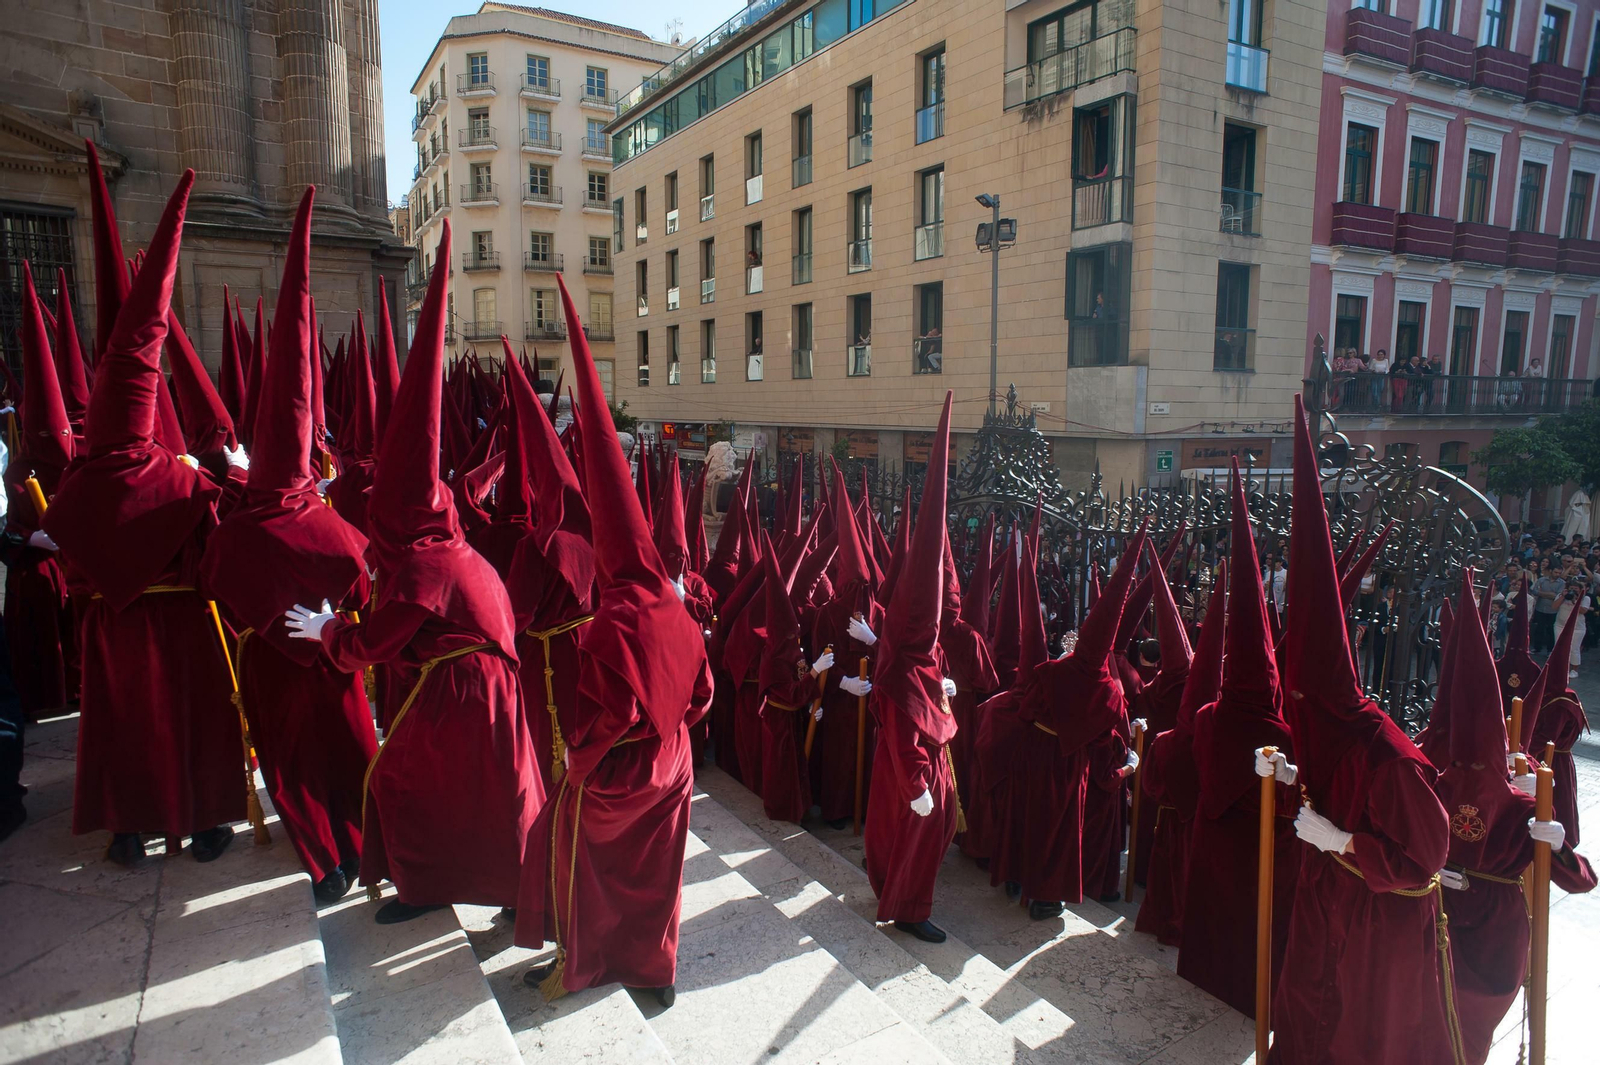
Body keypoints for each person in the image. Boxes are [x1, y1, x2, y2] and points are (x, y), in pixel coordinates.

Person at [291, 221, 543, 924]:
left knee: (401, 779)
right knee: (487, 793)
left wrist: (328, 628)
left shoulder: (428, 566)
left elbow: (377, 641)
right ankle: (470, 886)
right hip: (489, 694)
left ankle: (428, 886)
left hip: (465, 693)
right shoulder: (457, 550)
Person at [517, 275, 713, 1007]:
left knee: (576, 847)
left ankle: (590, 960)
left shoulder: (610, 625)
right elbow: (703, 695)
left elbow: (609, 719)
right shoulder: (677, 605)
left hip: (625, 772)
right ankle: (656, 971)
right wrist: (672, 729)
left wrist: (578, 757)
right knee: (660, 877)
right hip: (676, 767)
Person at [43, 166, 245, 866]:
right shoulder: (179, 480)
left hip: (112, 630)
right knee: (188, 719)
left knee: (124, 724)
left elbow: (68, 575)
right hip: (180, 624)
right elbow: (213, 557)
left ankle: (127, 829)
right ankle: (203, 823)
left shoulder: (74, 487)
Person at [1268, 396, 1456, 1064]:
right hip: (1327, 903)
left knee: (1353, 1035)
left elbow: (1427, 857)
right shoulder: (1325, 733)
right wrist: (1292, 782)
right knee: (1304, 1017)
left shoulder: (1388, 758)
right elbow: (1318, 800)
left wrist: (1344, 839)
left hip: (1377, 927)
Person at [201, 187, 376, 903]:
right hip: (332, 662)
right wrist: (328, 618)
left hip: (271, 668)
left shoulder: (237, 526)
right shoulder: (333, 521)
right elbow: (366, 584)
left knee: (292, 763)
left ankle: (324, 861)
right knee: (347, 752)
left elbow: (214, 583)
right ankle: (364, 848)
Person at [1432, 570, 1595, 1065]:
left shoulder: (1519, 805)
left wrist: (1555, 837)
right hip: (1435, 928)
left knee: (1466, 1026)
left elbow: (1580, 878)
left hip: (1490, 939)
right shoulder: (1435, 785)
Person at [1181, 463, 1300, 1016]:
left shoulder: (1207, 713)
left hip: (1213, 831)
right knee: (1252, 928)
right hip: (1260, 847)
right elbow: (1295, 802)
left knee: (1212, 919)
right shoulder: (1282, 733)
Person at [863, 391, 962, 943]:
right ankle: (907, 908)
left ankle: (909, 897)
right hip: (912, 781)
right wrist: (921, 785)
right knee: (911, 839)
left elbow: (936, 697)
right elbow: (904, 736)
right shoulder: (903, 668)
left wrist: (944, 688)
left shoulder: (926, 655)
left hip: (931, 771)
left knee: (930, 838)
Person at [1531, 561, 1565, 653]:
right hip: (1540, 608)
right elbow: (1534, 591)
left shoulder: (1562, 583)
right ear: (1551, 571)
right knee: (1539, 630)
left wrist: (1543, 594)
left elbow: (1557, 596)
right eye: (1555, 572)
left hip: (1553, 610)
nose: (1557, 574)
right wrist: (1549, 594)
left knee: (1551, 631)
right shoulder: (1541, 580)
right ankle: (1537, 648)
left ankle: (1550, 650)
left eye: (1559, 573)